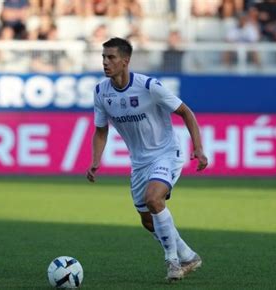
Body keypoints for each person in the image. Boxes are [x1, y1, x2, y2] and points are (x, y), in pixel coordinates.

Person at [86, 37, 208, 281]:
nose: (105, 62)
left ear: (125, 61)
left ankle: (172, 262)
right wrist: (95, 159)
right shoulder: (101, 92)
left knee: (154, 199)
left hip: (166, 153)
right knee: (148, 221)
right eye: (103, 57)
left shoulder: (149, 86)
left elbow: (186, 112)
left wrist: (199, 148)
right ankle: (188, 255)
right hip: (139, 163)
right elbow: (101, 129)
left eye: (111, 57)